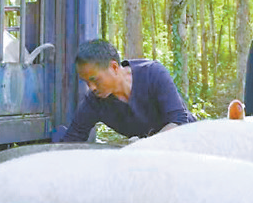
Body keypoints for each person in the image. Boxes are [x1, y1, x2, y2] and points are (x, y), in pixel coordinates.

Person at [62, 39, 195, 142]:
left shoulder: (153, 73)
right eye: (86, 82)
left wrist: (145, 146)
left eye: (94, 80)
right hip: (148, 155)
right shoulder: (94, 102)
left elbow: (179, 121)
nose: (91, 87)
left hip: (189, 144)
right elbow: (72, 139)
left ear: (114, 67)